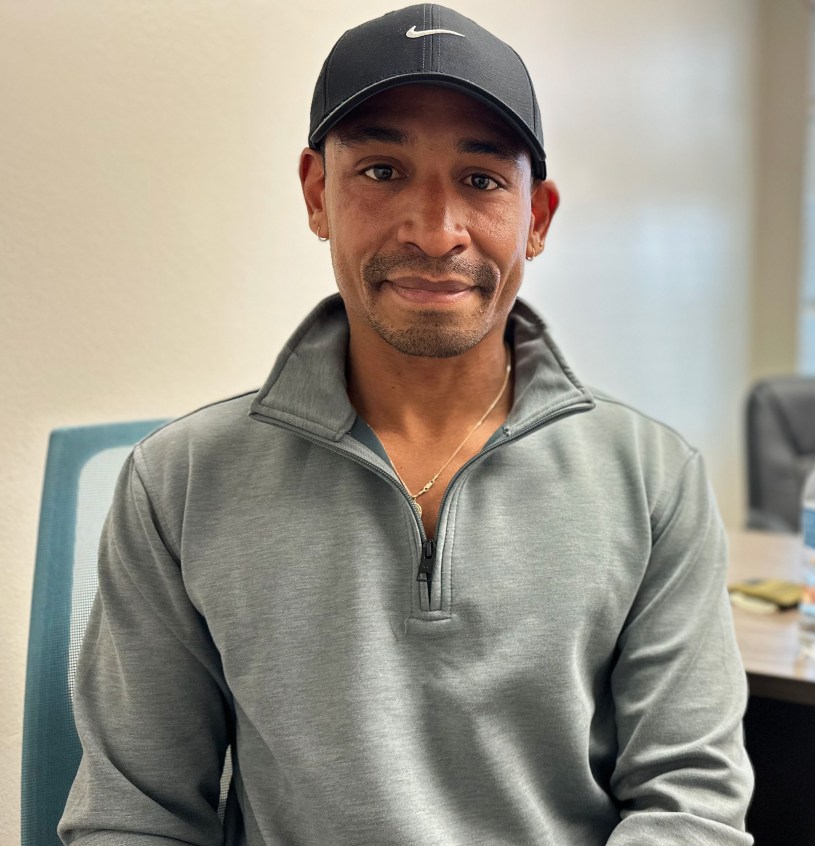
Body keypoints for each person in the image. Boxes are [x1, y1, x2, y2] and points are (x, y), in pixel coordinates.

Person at [57, 4, 754, 844]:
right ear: (318, 194)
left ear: (537, 218)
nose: (435, 232)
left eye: (482, 179)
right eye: (383, 171)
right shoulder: (181, 480)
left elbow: (692, 806)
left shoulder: (653, 479)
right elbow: (136, 817)